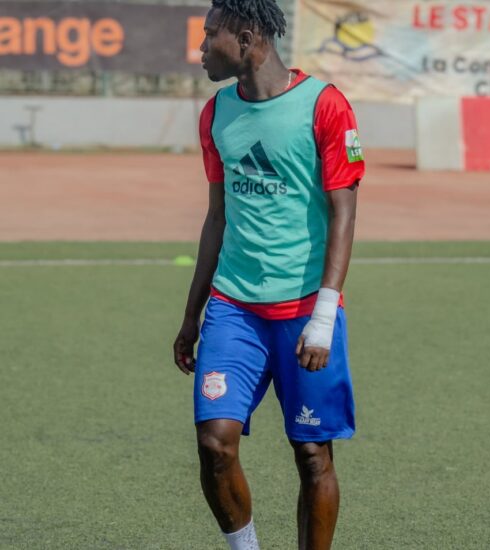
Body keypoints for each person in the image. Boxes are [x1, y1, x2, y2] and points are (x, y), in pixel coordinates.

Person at [173, 1, 365, 548]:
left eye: (210, 35)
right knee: (215, 443)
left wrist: (323, 316)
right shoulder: (215, 113)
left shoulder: (325, 105)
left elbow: (344, 213)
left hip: (304, 309)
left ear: (247, 37)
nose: (201, 48)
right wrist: (191, 315)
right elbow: (216, 217)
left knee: (312, 454)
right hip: (234, 308)